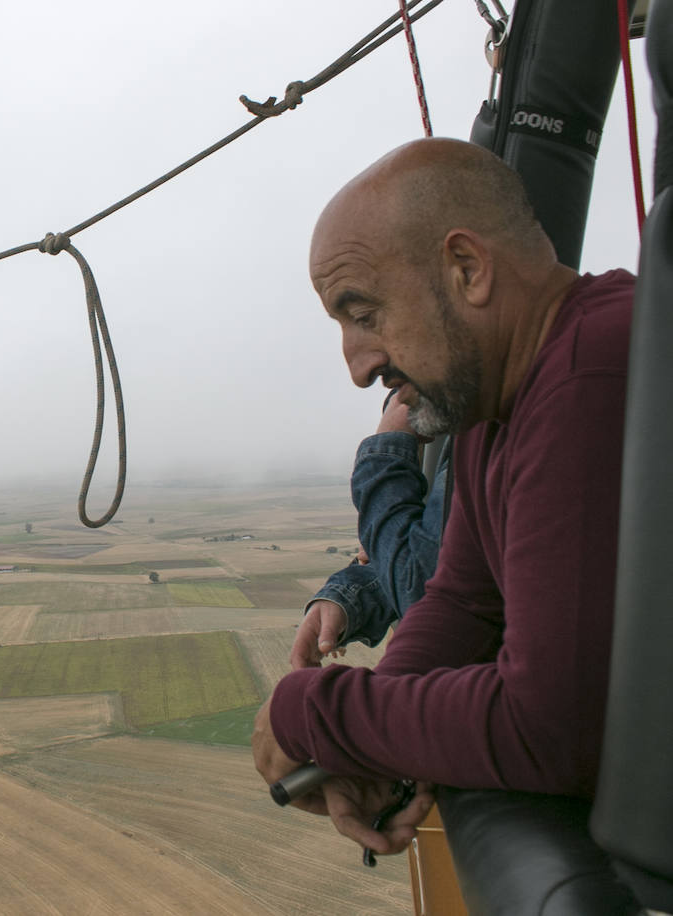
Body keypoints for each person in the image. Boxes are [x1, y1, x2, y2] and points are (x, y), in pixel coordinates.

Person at [252, 137, 635, 860]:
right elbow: (461, 601)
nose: (359, 367)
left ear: (467, 270)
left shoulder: (591, 377)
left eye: (363, 313)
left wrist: (314, 713)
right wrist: (372, 753)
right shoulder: (497, 410)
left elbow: (550, 727)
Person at [289, 390, 449, 669]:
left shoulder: (498, 432)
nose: (363, 375)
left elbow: (432, 598)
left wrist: (386, 449)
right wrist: (346, 599)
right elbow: (432, 551)